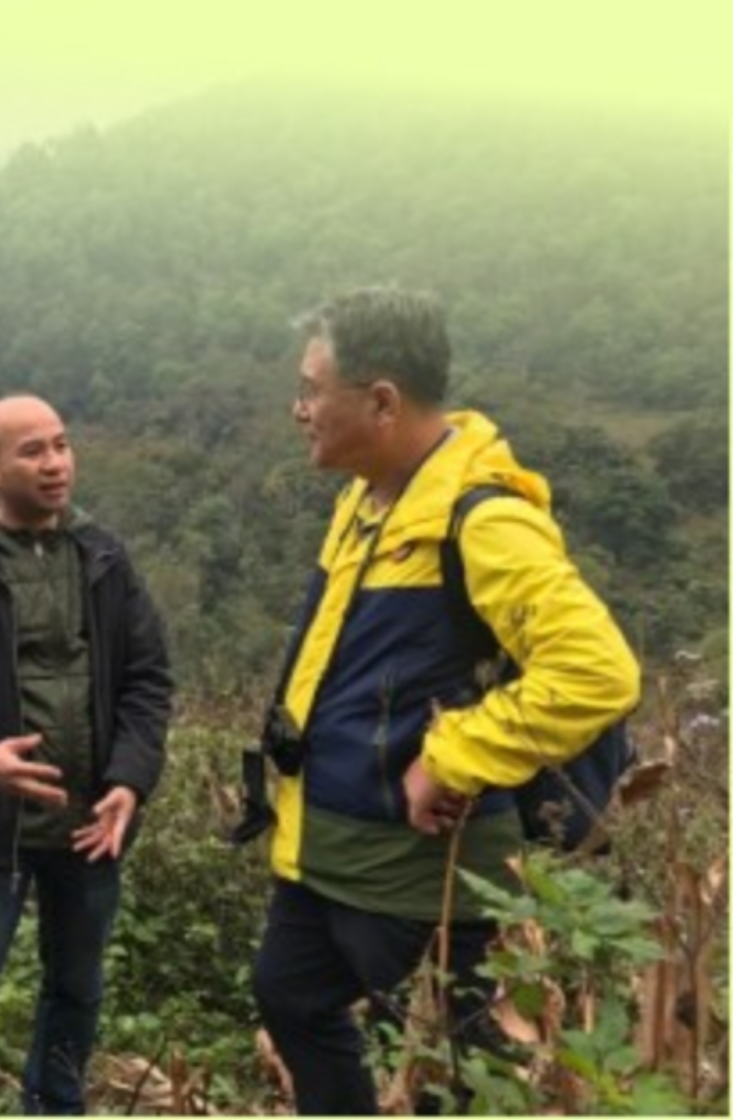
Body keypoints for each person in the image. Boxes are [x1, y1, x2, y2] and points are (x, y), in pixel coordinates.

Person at [250, 286, 640, 1114]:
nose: (299, 409)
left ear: (382, 399)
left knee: (450, 1077)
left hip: (419, 879)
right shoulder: (367, 502)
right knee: (287, 995)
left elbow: (597, 671)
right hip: (323, 857)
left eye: (313, 389)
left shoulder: (484, 521)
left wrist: (459, 753)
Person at [0, 394, 174, 1115]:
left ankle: (53, 1108)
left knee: (77, 990)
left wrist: (130, 784)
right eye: (33, 452)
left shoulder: (103, 556)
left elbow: (148, 681)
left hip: (89, 828)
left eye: (61, 445)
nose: (55, 464)